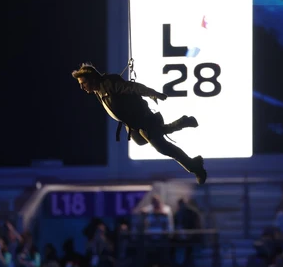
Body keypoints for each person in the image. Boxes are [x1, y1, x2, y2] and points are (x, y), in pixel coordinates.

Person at [72, 63, 207, 184]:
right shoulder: (98, 90)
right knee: (144, 140)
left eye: (83, 83)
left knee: (163, 147)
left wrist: (152, 93)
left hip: (142, 120)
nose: (82, 87)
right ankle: (182, 123)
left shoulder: (109, 84)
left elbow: (132, 87)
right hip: (132, 124)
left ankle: (195, 166)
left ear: (92, 79)